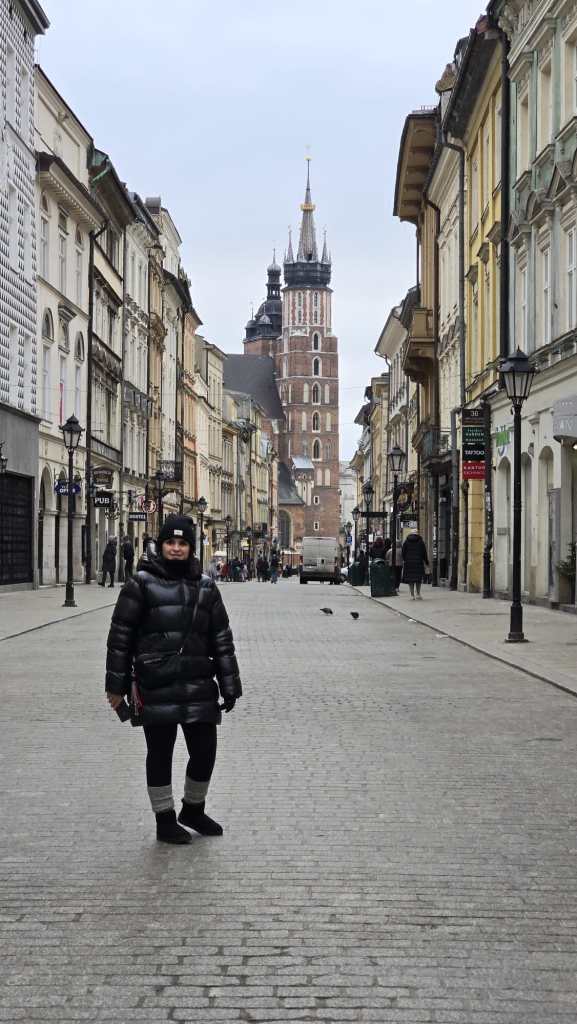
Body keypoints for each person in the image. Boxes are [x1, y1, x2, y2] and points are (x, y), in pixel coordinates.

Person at [105, 515, 242, 845]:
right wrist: (116, 686)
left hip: (198, 683)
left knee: (205, 751)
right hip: (156, 682)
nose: (176, 548)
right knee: (160, 753)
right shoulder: (140, 584)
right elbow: (120, 637)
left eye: (182, 543)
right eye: (170, 542)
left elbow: (221, 638)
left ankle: (193, 809)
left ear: (191, 548)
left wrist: (230, 684)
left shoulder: (206, 587)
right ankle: (164, 819)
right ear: (161, 545)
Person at [401, 529, 429, 600]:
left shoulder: (406, 542)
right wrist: (426, 562)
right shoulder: (421, 542)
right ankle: (418, 594)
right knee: (418, 579)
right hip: (418, 563)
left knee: (411, 580)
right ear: (417, 534)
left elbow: (403, 553)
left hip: (409, 563)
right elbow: (424, 553)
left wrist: (405, 559)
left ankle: (412, 595)